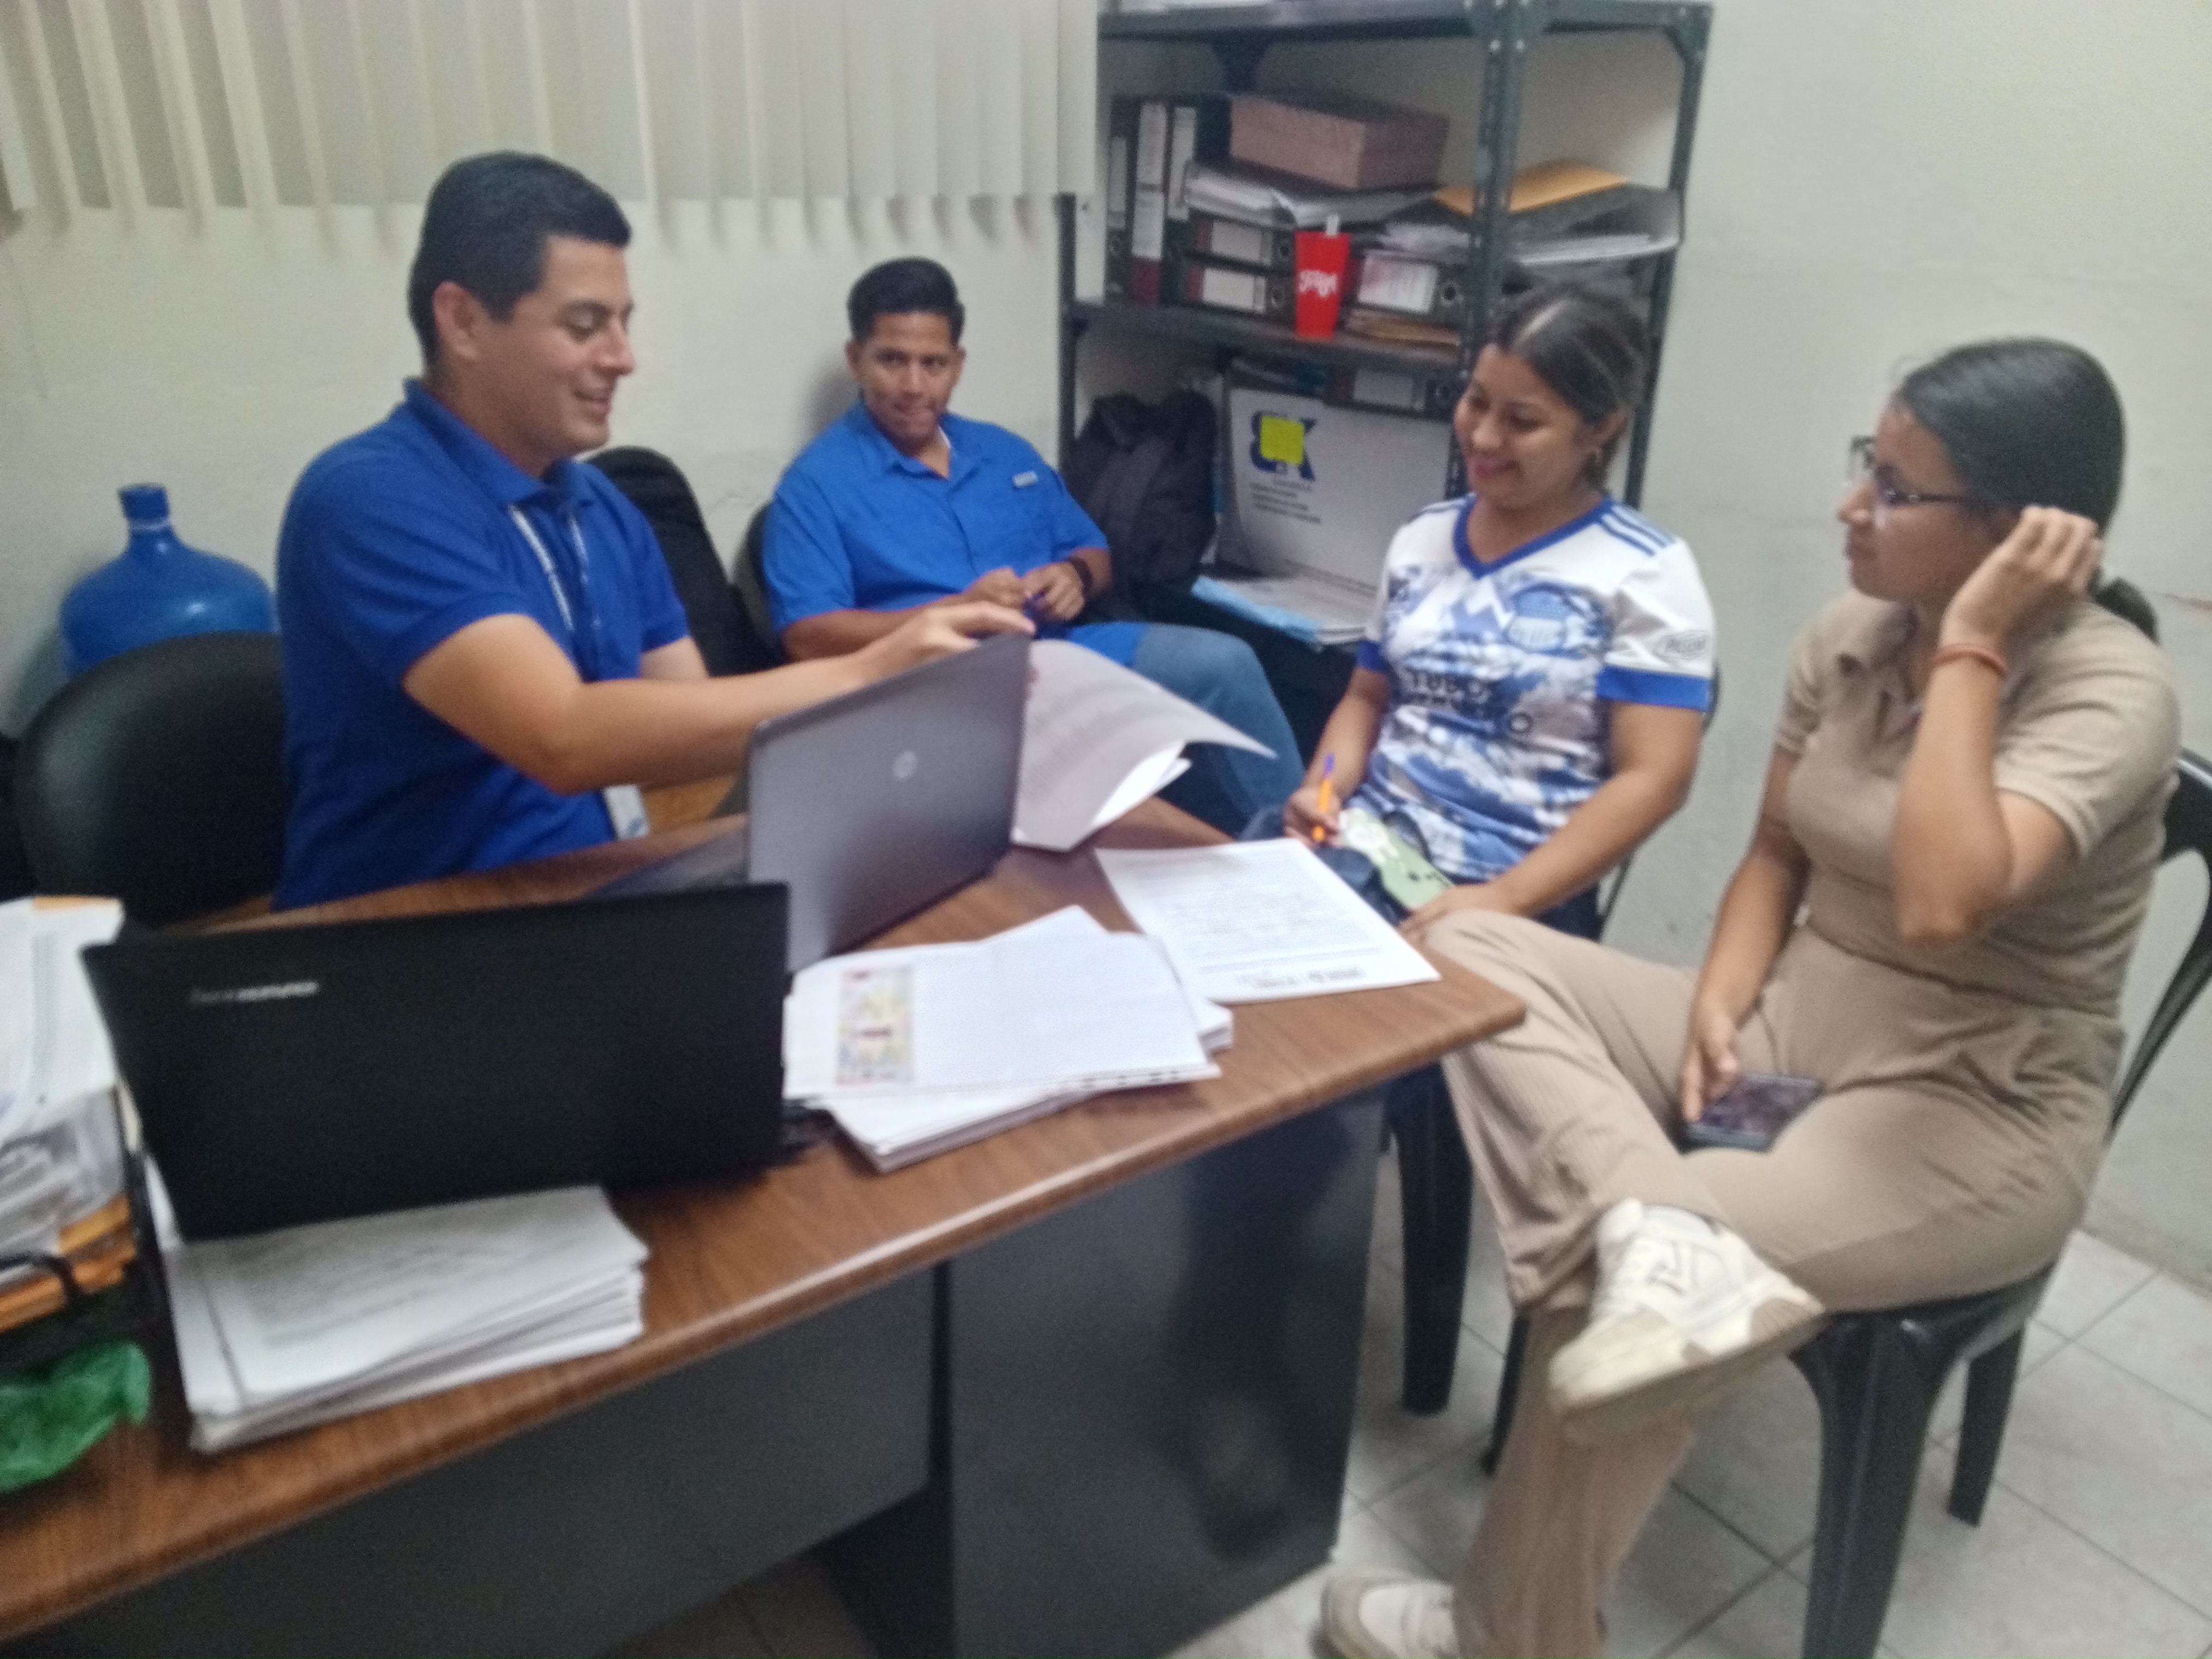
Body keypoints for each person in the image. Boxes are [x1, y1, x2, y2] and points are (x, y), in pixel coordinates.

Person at [1320, 337, 2178, 1659]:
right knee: (1464, 944)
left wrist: (1974, 645)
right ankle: (1652, 1232)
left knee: (1628, 1296)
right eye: (1866, 464)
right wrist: (1722, 998)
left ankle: (1507, 1633)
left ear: (2018, 534)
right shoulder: (1848, 638)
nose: (1850, 507)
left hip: (1970, 1104)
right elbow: (1774, 854)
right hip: (1787, 1033)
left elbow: (1943, 899)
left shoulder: (2110, 687)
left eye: (1895, 490)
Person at [276, 155, 1022, 910]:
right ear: (464, 322)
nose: (622, 359)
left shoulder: (600, 504)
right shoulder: (371, 496)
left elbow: (689, 723)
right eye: (584, 326)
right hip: (408, 929)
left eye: (623, 324)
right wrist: (870, 673)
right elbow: (562, 737)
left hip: (593, 893)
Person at [763, 257, 1304, 834]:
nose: (914, 386)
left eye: (933, 363)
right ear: (857, 360)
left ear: (958, 366)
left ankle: (1310, 854)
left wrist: (1075, 577)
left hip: (1057, 653)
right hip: (932, 685)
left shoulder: (1005, 454)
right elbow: (807, 636)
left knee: (1224, 663)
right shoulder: (815, 485)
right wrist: (949, 614)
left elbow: (1094, 553)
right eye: (892, 360)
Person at [1273, 284, 1713, 939]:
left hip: (1510, 900)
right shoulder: (1422, 537)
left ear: (1600, 428)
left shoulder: (1646, 572)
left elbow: (1656, 779)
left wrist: (1503, 898)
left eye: (1521, 421)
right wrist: (1325, 788)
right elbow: (1366, 700)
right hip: (1366, 853)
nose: (1482, 436)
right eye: (1476, 401)